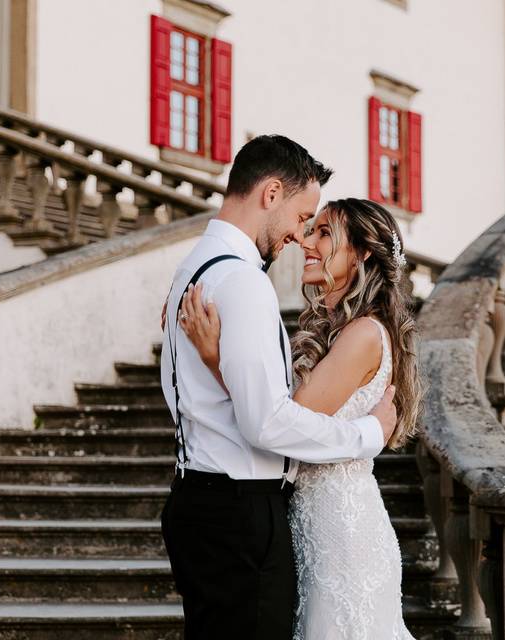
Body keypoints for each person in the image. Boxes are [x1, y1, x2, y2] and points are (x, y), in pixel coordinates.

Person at [159, 135, 398, 640]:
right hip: (237, 513)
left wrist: (214, 358)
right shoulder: (242, 281)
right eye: (302, 218)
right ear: (271, 194)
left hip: (224, 503)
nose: (300, 236)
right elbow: (270, 418)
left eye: (320, 231)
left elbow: (269, 407)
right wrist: (369, 435)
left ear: (359, 257)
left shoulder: (193, 269)